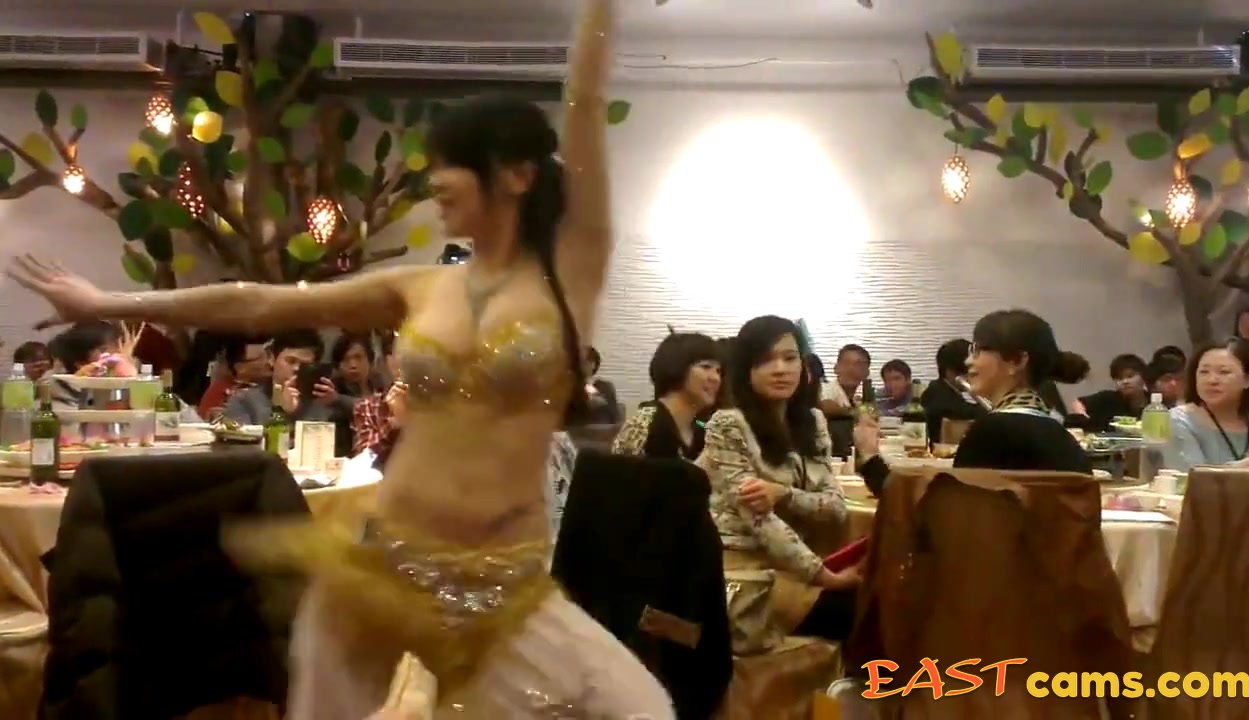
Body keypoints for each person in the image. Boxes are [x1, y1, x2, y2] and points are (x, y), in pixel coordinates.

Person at [4, 3, 671, 717]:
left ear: (515, 176)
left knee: (640, 709)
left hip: (506, 590)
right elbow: (257, 304)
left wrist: (601, 9)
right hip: (384, 576)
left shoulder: (570, 275)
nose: (436, 184)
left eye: (451, 170)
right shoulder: (419, 288)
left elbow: (585, 102)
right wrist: (106, 301)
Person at [700, 316, 857, 649]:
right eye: (765, 360)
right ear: (745, 369)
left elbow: (836, 507)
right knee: (853, 609)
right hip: (746, 571)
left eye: (789, 358)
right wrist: (825, 577)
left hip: (799, 565)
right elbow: (760, 521)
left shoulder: (813, 422)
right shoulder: (728, 425)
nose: (781, 369)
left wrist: (783, 494)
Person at [856, 309, 1092, 495]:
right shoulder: (1061, 436)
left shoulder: (992, 431)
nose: (968, 361)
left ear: (1017, 361)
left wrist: (870, 458)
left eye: (977, 350)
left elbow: (938, 515)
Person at [1166, 339, 1249, 470]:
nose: (1212, 380)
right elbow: (1192, 478)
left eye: (1224, 372)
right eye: (1204, 372)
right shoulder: (1179, 420)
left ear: (1248, 379)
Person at [612, 332, 721, 460]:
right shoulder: (644, 423)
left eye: (718, 371)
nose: (716, 378)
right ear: (677, 366)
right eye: (706, 367)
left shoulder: (702, 429)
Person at [920, 338, 985, 444]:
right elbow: (965, 412)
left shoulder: (945, 391)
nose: (973, 375)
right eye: (969, 370)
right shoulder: (937, 394)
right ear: (950, 371)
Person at [581, 345, 622, 424]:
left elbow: (616, 417)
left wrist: (601, 402)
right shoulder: (571, 387)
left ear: (593, 364)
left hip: (602, 428)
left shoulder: (606, 387)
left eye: (583, 362)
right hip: (578, 429)